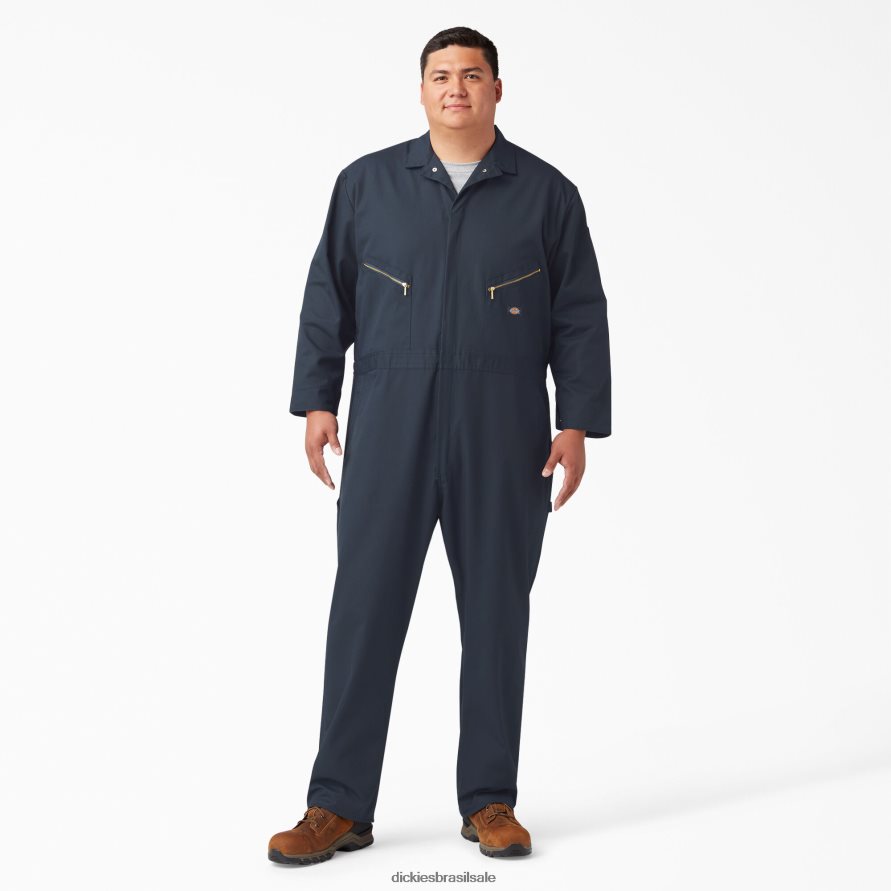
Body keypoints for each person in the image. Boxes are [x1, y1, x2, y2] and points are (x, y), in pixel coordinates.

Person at [268, 25, 611, 866]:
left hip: (505, 427)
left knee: (496, 612)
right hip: (389, 418)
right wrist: (317, 399)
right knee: (363, 609)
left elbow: (578, 312)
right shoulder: (367, 184)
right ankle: (336, 804)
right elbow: (327, 295)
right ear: (421, 90)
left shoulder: (546, 193)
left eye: (471, 74)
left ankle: (490, 799)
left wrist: (575, 421)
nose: (455, 87)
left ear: (497, 88)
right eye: (440, 75)